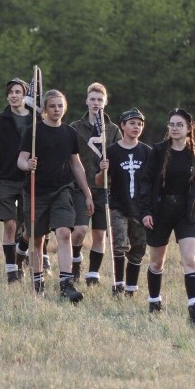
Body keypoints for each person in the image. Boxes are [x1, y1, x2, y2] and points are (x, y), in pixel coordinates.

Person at [17, 89, 94, 301]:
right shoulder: (33, 132)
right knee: (37, 238)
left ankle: (66, 284)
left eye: (60, 106)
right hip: (36, 191)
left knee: (64, 233)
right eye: (52, 106)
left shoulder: (69, 133)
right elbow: (21, 160)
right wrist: (27, 165)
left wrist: (87, 193)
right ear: (44, 109)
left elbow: (76, 165)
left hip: (62, 189)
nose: (57, 110)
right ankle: (37, 281)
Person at [138, 108, 195, 324]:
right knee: (157, 262)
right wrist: (146, 212)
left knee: (190, 259)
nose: (175, 128)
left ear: (189, 129)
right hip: (160, 211)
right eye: (171, 124)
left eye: (179, 125)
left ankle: (194, 308)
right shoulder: (158, 151)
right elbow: (146, 182)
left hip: (185, 213)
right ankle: (154, 301)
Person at [95, 108, 151, 296]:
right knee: (119, 245)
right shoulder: (111, 151)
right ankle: (118, 285)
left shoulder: (146, 152)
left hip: (140, 207)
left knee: (138, 247)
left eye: (140, 124)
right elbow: (99, 181)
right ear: (123, 126)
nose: (136, 127)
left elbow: (153, 180)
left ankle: (131, 288)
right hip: (118, 205)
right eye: (132, 123)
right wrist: (102, 170)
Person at [70, 82, 121, 286]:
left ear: (105, 102)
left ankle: (93, 274)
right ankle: (75, 261)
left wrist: (110, 165)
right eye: (92, 99)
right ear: (86, 101)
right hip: (81, 187)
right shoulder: (75, 127)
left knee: (100, 234)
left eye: (100, 100)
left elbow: (119, 155)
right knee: (80, 229)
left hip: (105, 189)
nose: (96, 103)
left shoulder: (113, 130)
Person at [0, 78, 32, 283]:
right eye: (11, 92)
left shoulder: (36, 119)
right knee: (10, 225)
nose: (14, 95)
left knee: (28, 228)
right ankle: (11, 270)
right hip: (6, 179)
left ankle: (20, 257)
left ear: (25, 95)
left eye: (18, 92)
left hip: (29, 180)